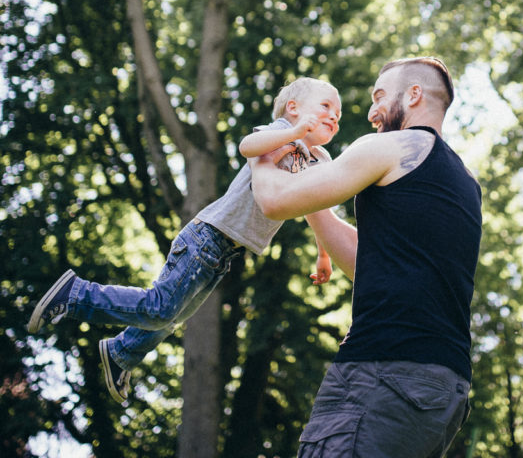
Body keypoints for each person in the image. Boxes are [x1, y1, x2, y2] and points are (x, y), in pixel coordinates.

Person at [27, 77, 341, 403]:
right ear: (293, 109)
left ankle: (122, 352)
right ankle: (76, 294)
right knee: (161, 309)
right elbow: (247, 146)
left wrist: (324, 254)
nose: (334, 116)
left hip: (225, 252)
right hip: (208, 237)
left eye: (339, 114)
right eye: (325, 106)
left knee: (171, 317)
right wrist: (294, 133)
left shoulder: (320, 161)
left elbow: (319, 206)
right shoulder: (280, 132)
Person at [252, 56, 482, 458]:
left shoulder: (391, 147)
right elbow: (369, 263)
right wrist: (314, 200)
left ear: (413, 95)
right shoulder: (464, 182)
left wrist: (266, 150)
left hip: (382, 373)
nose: (372, 110)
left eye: (380, 96)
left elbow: (272, 201)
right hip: (443, 391)